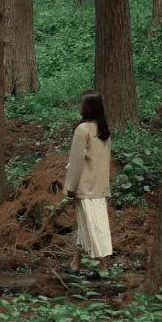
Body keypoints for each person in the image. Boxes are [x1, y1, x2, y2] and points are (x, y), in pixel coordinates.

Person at [63, 91, 113, 274]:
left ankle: (103, 267)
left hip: (85, 187)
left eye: (82, 103)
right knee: (87, 224)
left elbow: (76, 162)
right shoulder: (104, 130)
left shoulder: (82, 129)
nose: (79, 106)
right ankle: (75, 264)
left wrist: (69, 187)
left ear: (88, 108)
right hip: (99, 187)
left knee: (93, 226)